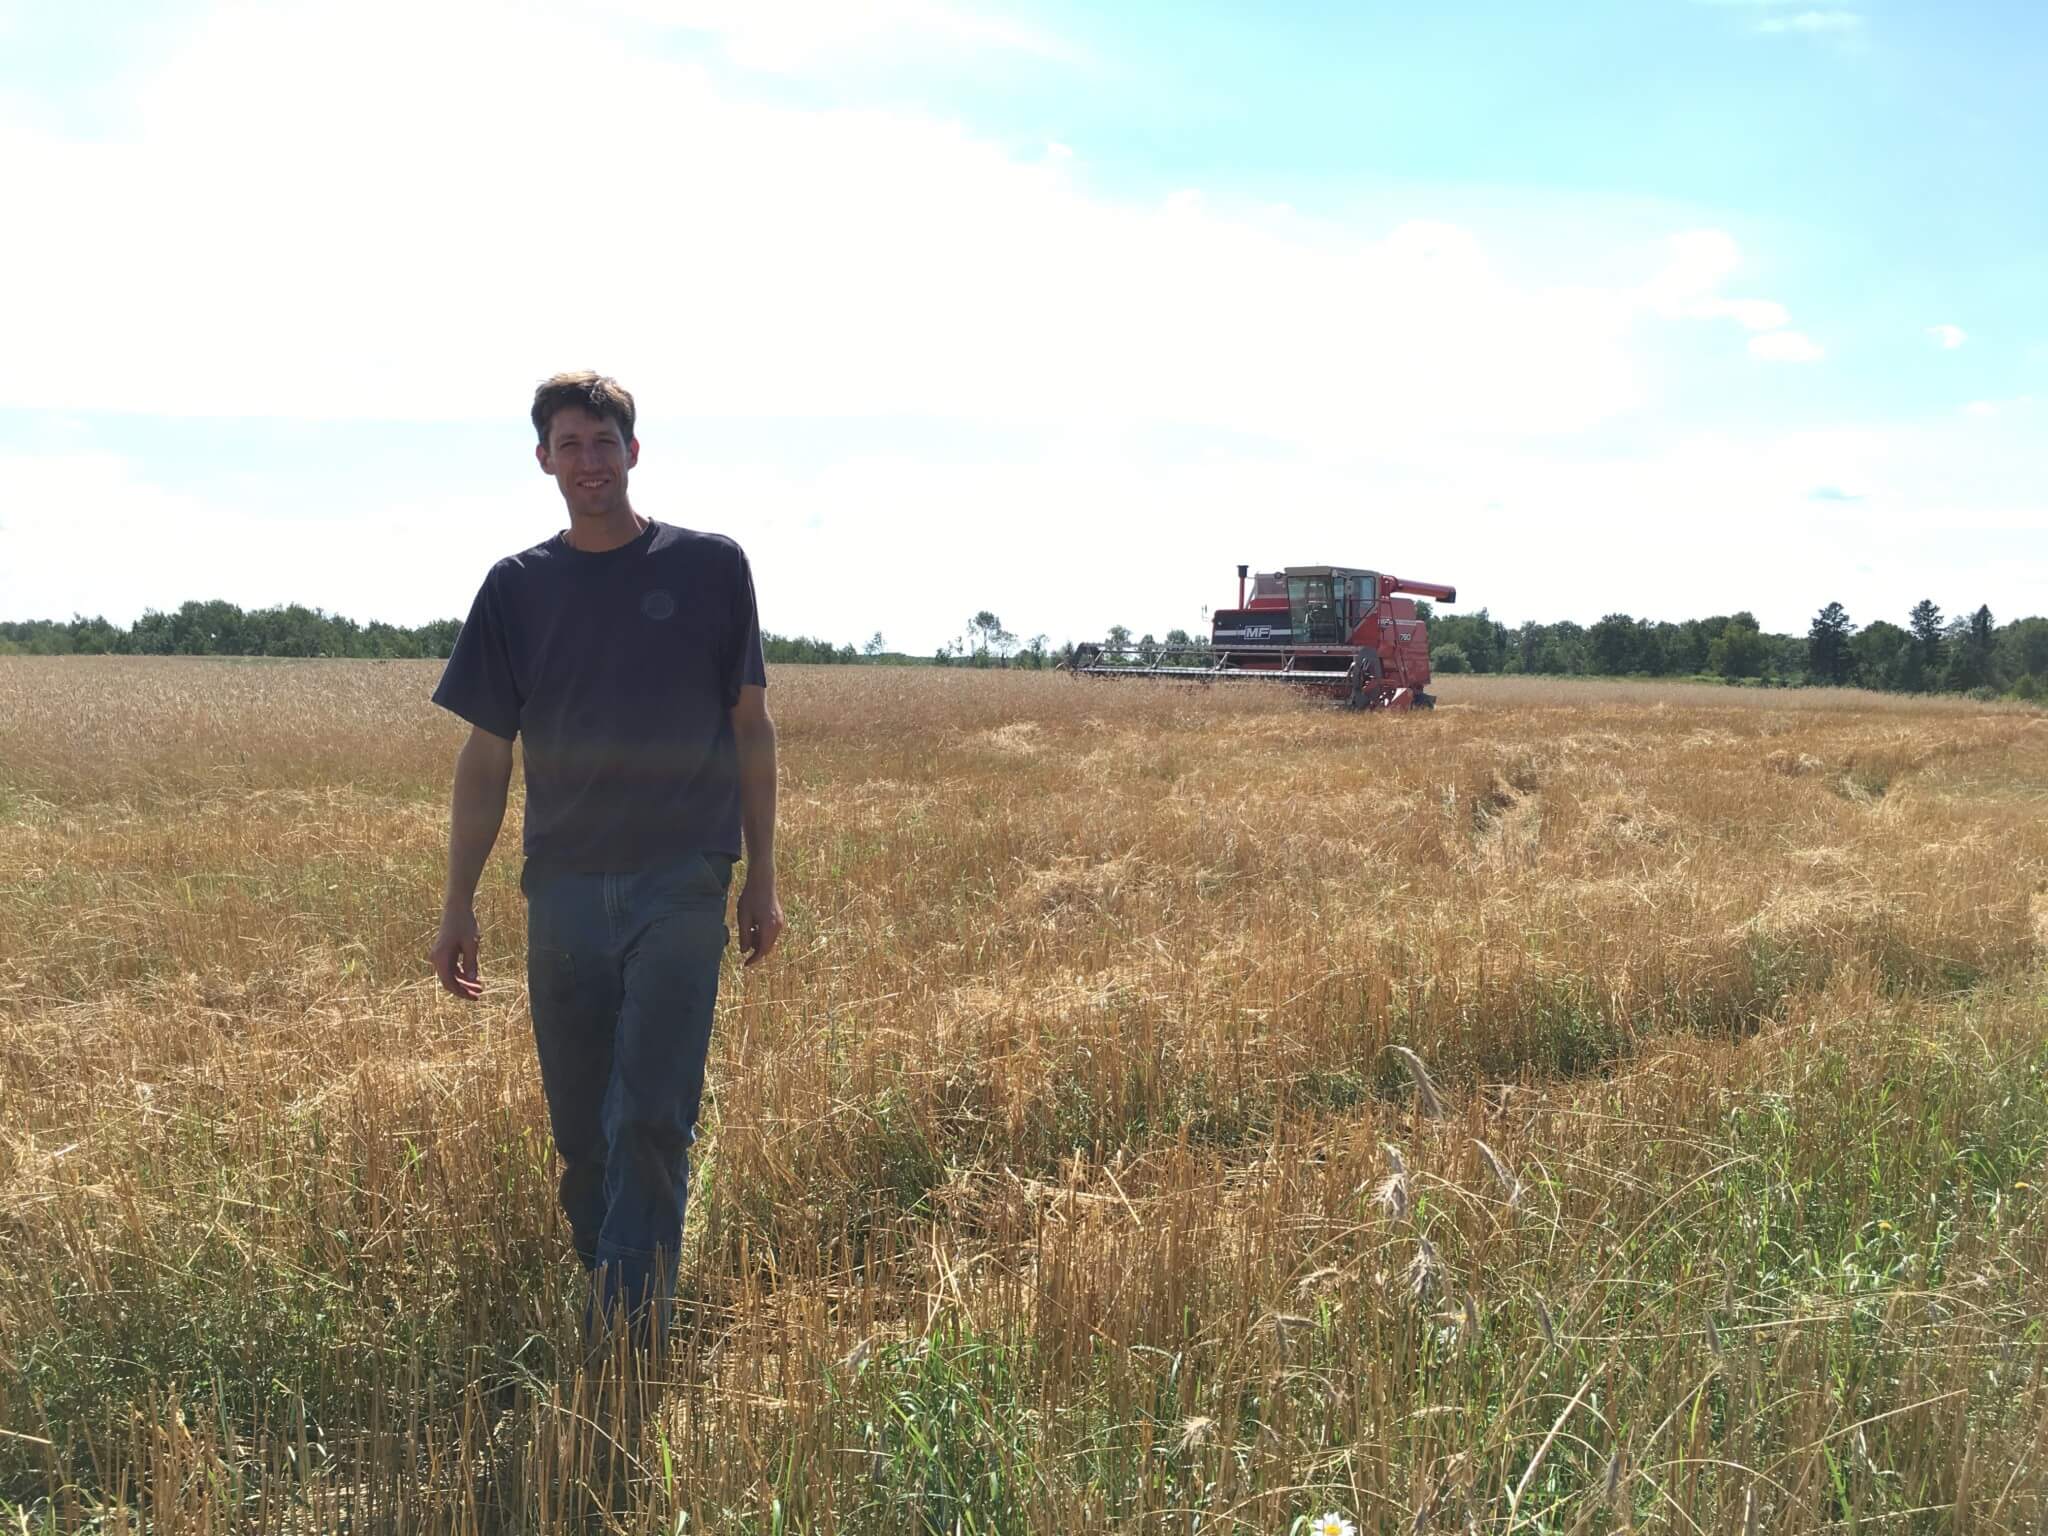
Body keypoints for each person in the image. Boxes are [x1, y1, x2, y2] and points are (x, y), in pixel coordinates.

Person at [428, 371, 783, 1351]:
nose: (588, 461)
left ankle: (628, 1339)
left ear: (635, 451)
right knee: (583, 1126)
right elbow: (485, 752)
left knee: (651, 1113)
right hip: (564, 885)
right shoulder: (516, 588)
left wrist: (761, 874)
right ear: (543, 458)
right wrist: (457, 901)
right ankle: (616, 1270)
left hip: (683, 874)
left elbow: (750, 727)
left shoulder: (712, 567)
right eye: (569, 444)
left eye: (603, 442)